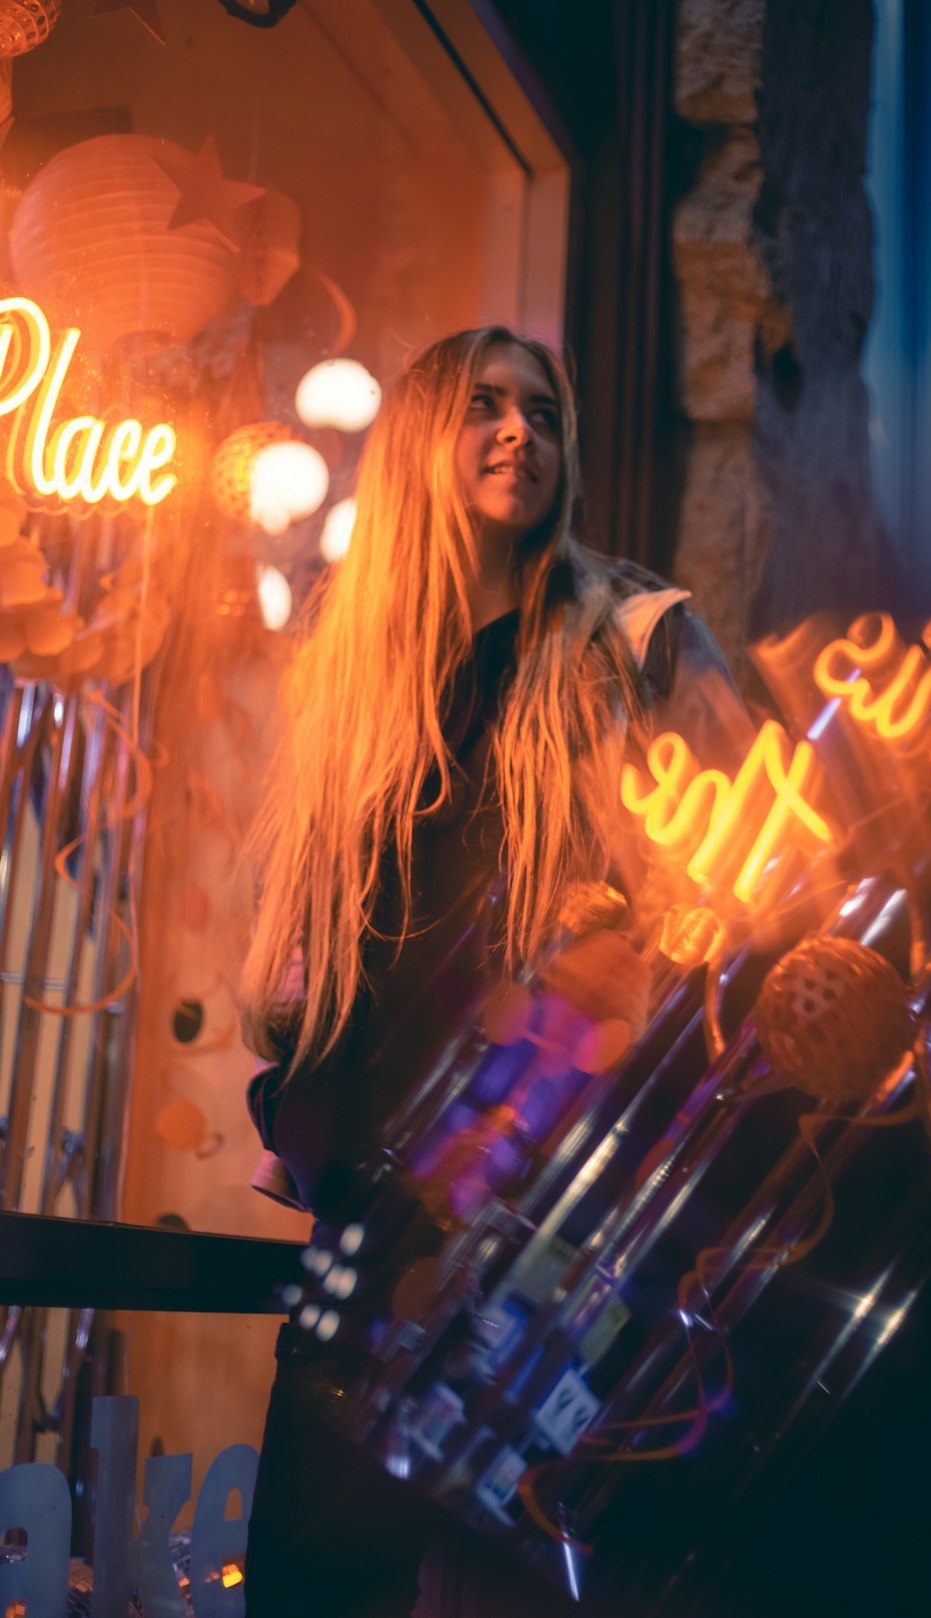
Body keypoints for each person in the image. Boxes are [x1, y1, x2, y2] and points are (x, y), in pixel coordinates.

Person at [239, 326, 750, 1617]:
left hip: (551, 1209)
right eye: (483, 405)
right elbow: (319, 954)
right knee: (310, 1571)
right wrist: (300, 1088)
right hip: (380, 1213)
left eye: (543, 410)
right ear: (419, 441)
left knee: (520, 1581)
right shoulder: (362, 684)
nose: (522, 429)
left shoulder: (632, 639)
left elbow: (751, 873)